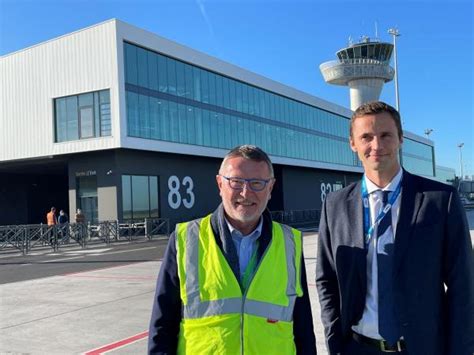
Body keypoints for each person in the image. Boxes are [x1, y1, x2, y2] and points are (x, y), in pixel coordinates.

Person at [316, 101, 474, 355]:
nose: (376, 146)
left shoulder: (440, 200)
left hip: (424, 347)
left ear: (400, 139)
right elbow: (327, 281)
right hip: (357, 348)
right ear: (353, 144)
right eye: (366, 137)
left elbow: (463, 287)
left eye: (386, 135)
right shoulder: (334, 205)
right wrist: (335, 342)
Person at [149, 145, 316, 354]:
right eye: (236, 182)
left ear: (271, 188)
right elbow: (162, 326)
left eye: (257, 183)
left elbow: (303, 328)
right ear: (220, 184)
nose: (246, 193)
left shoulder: (289, 243)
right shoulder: (185, 239)